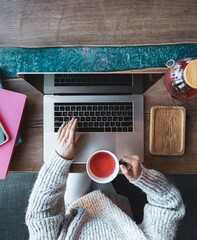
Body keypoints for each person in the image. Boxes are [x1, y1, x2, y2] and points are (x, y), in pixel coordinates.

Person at [26, 118, 185, 240]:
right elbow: (169, 205)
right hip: (118, 205)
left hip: (74, 207)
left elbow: (40, 214)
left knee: (82, 151)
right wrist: (142, 177)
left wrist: (60, 158)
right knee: (116, 156)